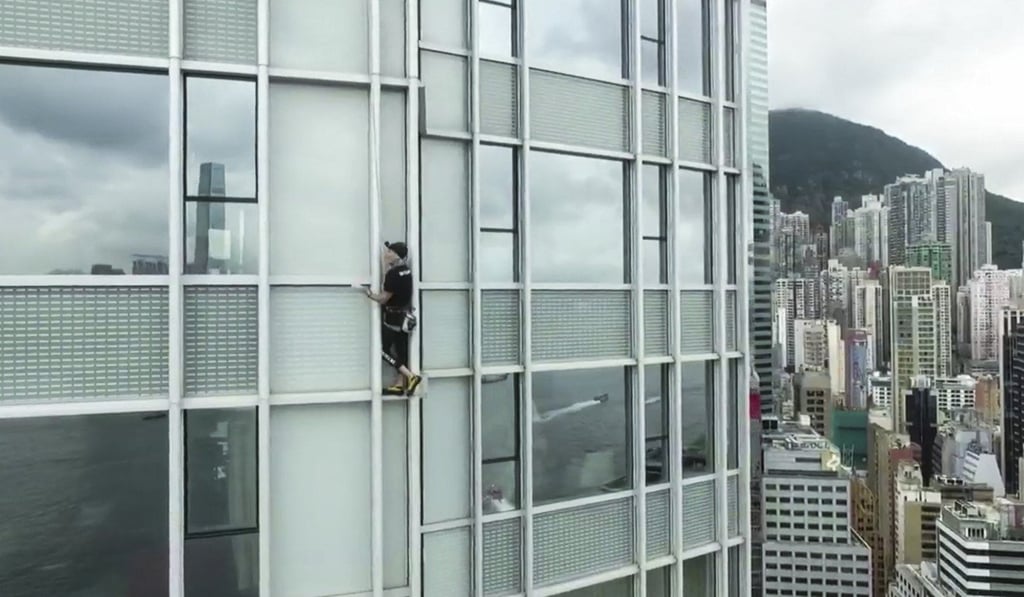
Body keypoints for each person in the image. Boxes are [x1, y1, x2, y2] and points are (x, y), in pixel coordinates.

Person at [365, 241, 423, 396]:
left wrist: (370, 295)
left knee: (382, 351)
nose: (385, 254)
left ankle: (411, 376)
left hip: (393, 319)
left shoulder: (393, 274)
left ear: (397, 256)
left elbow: (384, 298)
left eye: (389, 252)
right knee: (401, 351)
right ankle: (399, 384)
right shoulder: (406, 271)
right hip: (404, 319)